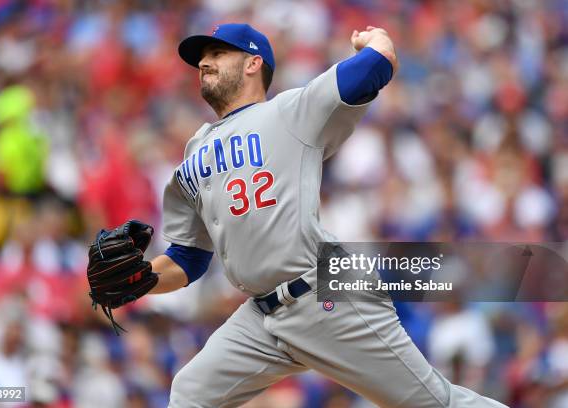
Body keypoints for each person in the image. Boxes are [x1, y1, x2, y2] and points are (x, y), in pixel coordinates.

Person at [147, 23, 507, 407]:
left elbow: (378, 62)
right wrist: (140, 279)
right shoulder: (195, 150)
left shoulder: (289, 112)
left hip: (324, 291)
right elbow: (188, 258)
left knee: (433, 403)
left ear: (253, 63)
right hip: (261, 317)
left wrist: (373, 39)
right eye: (202, 57)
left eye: (217, 54)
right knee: (191, 393)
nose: (204, 62)